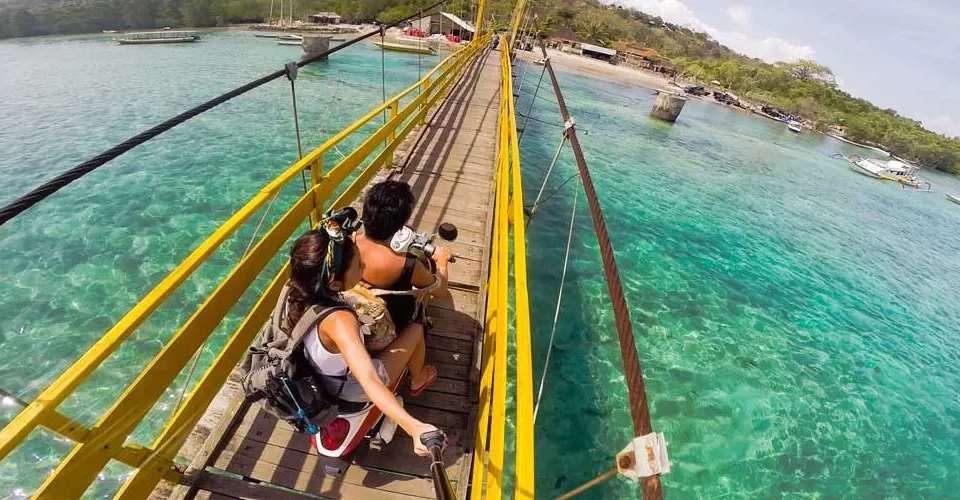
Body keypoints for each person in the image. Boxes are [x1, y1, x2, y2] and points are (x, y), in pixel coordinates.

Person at [283, 214, 440, 456]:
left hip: (318, 378)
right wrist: (414, 427)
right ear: (334, 285)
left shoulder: (294, 293)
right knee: (415, 329)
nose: (364, 269)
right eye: (359, 267)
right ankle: (417, 380)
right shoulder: (339, 321)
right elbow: (368, 378)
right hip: (349, 389)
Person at [356, 181, 450, 391]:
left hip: (352, 312)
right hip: (387, 325)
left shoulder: (349, 244)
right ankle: (417, 379)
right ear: (399, 224)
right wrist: (441, 262)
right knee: (416, 320)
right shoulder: (406, 265)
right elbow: (441, 290)